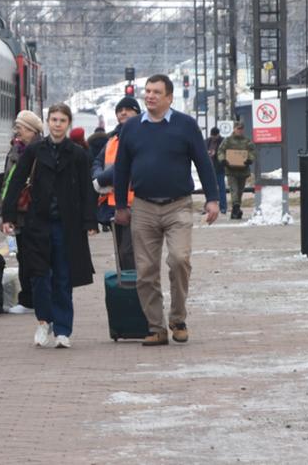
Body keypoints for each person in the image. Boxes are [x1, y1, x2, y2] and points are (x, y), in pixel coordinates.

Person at [113, 75, 220, 346]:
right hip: (144, 207)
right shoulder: (132, 128)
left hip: (178, 206)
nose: (150, 96)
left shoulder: (185, 126)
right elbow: (121, 169)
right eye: (147, 91)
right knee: (146, 270)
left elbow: (204, 164)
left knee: (179, 259)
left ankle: (178, 318)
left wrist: (212, 199)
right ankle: (156, 327)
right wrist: (121, 206)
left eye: (156, 92)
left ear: (169, 97)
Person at [0, 103, 98, 349]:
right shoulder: (34, 151)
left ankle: (63, 330)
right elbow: (16, 183)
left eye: (62, 120)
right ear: (47, 123)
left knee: (63, 278)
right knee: (40, 277)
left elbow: (87, 190)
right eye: (53, 120)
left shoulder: (78, 155)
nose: (57, 124)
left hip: (68, 226)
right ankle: (44, 321)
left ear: (68, 124)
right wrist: (8, 215)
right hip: (38, 223)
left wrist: (90, 221)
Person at [91, 96, 141, 270]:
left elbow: (125, 164)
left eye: (128, 109)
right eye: (120, 110)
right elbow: (97, 161)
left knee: (129, 251)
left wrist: (102, 179)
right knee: (121, 251)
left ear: (137, 112)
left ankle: (135, 289)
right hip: (114, 203)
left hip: (136, 203)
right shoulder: (113, 139)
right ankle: (127, 289)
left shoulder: (141, 135)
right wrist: (98, 176)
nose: (123, 112)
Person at [2, 110, 43, 313]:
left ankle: (30, 300)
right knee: (23, 255)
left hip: (29, 211)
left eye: (20, 128)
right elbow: (9, 181)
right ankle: (29, 298)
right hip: (19, 210)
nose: (17, 132)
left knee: (30, 257)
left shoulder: (34, 150)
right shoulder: (17, 149)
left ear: (30, 130)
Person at [217, 121, 256, 220]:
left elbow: (252, 151)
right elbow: (221, 151)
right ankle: (235, 209)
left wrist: (249, 159)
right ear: (234, 129)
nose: (240, 131)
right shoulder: (228, 140)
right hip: (231, 171)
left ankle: (237, 208)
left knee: (240, 191)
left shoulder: (246, 141)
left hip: (243, 170)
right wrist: (223, 160)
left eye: (241, 129)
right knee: (234, 190)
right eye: (238, 128)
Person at [206, 126, 228, 214]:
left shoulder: (223, 141)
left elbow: (225, 152)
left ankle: (223, 207)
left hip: (219, 168)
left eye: (215, 136)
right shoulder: (207, 141)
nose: (213, 137)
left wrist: (215, 154)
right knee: (209, 189)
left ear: (218, 135)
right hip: (209, 168)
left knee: (221, 188)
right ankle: (208, 207)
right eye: (212, 136)